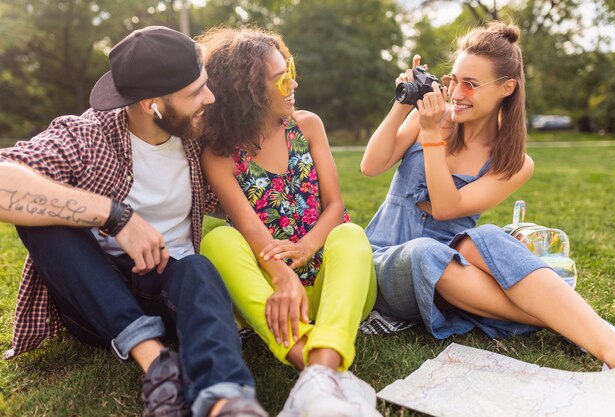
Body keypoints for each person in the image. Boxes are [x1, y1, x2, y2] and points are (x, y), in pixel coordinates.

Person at [0, 26, 268, 417]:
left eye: (205, 85)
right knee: (45, 221)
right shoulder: (87, 136)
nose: (208, 99)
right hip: (96, 303)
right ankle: (156, 361)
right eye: (195, 92)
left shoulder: (199, 135)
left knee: (196, 266)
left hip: (172, 294)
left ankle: (226, 398)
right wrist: (117, 217)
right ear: (150, 104)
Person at [361, 21, 615, 370]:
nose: (456, 94)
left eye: (470, 85)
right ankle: (577, 323)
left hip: (452, 277)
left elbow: (445, 209)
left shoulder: (514, 162)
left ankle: (613, 351)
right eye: (453, 80)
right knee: (426, 252)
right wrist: (405, 103)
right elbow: (371, 165)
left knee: (483, 237)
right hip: (386, 263)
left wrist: (431, 137)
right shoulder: (429, 119)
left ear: (507, 88)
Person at [197, 27, 381, 417]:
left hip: (339, 288)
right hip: (275, 294)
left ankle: (319, 373)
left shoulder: (308, 125)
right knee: (217, 241)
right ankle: (318, 370)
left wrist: (307, 246)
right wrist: (281, 275)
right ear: (246, 91)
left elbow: (335, 206)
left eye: (290, 68)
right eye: (281, 78)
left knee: (350, 233)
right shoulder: (220, 155)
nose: (293, 82)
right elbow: (248, 227)